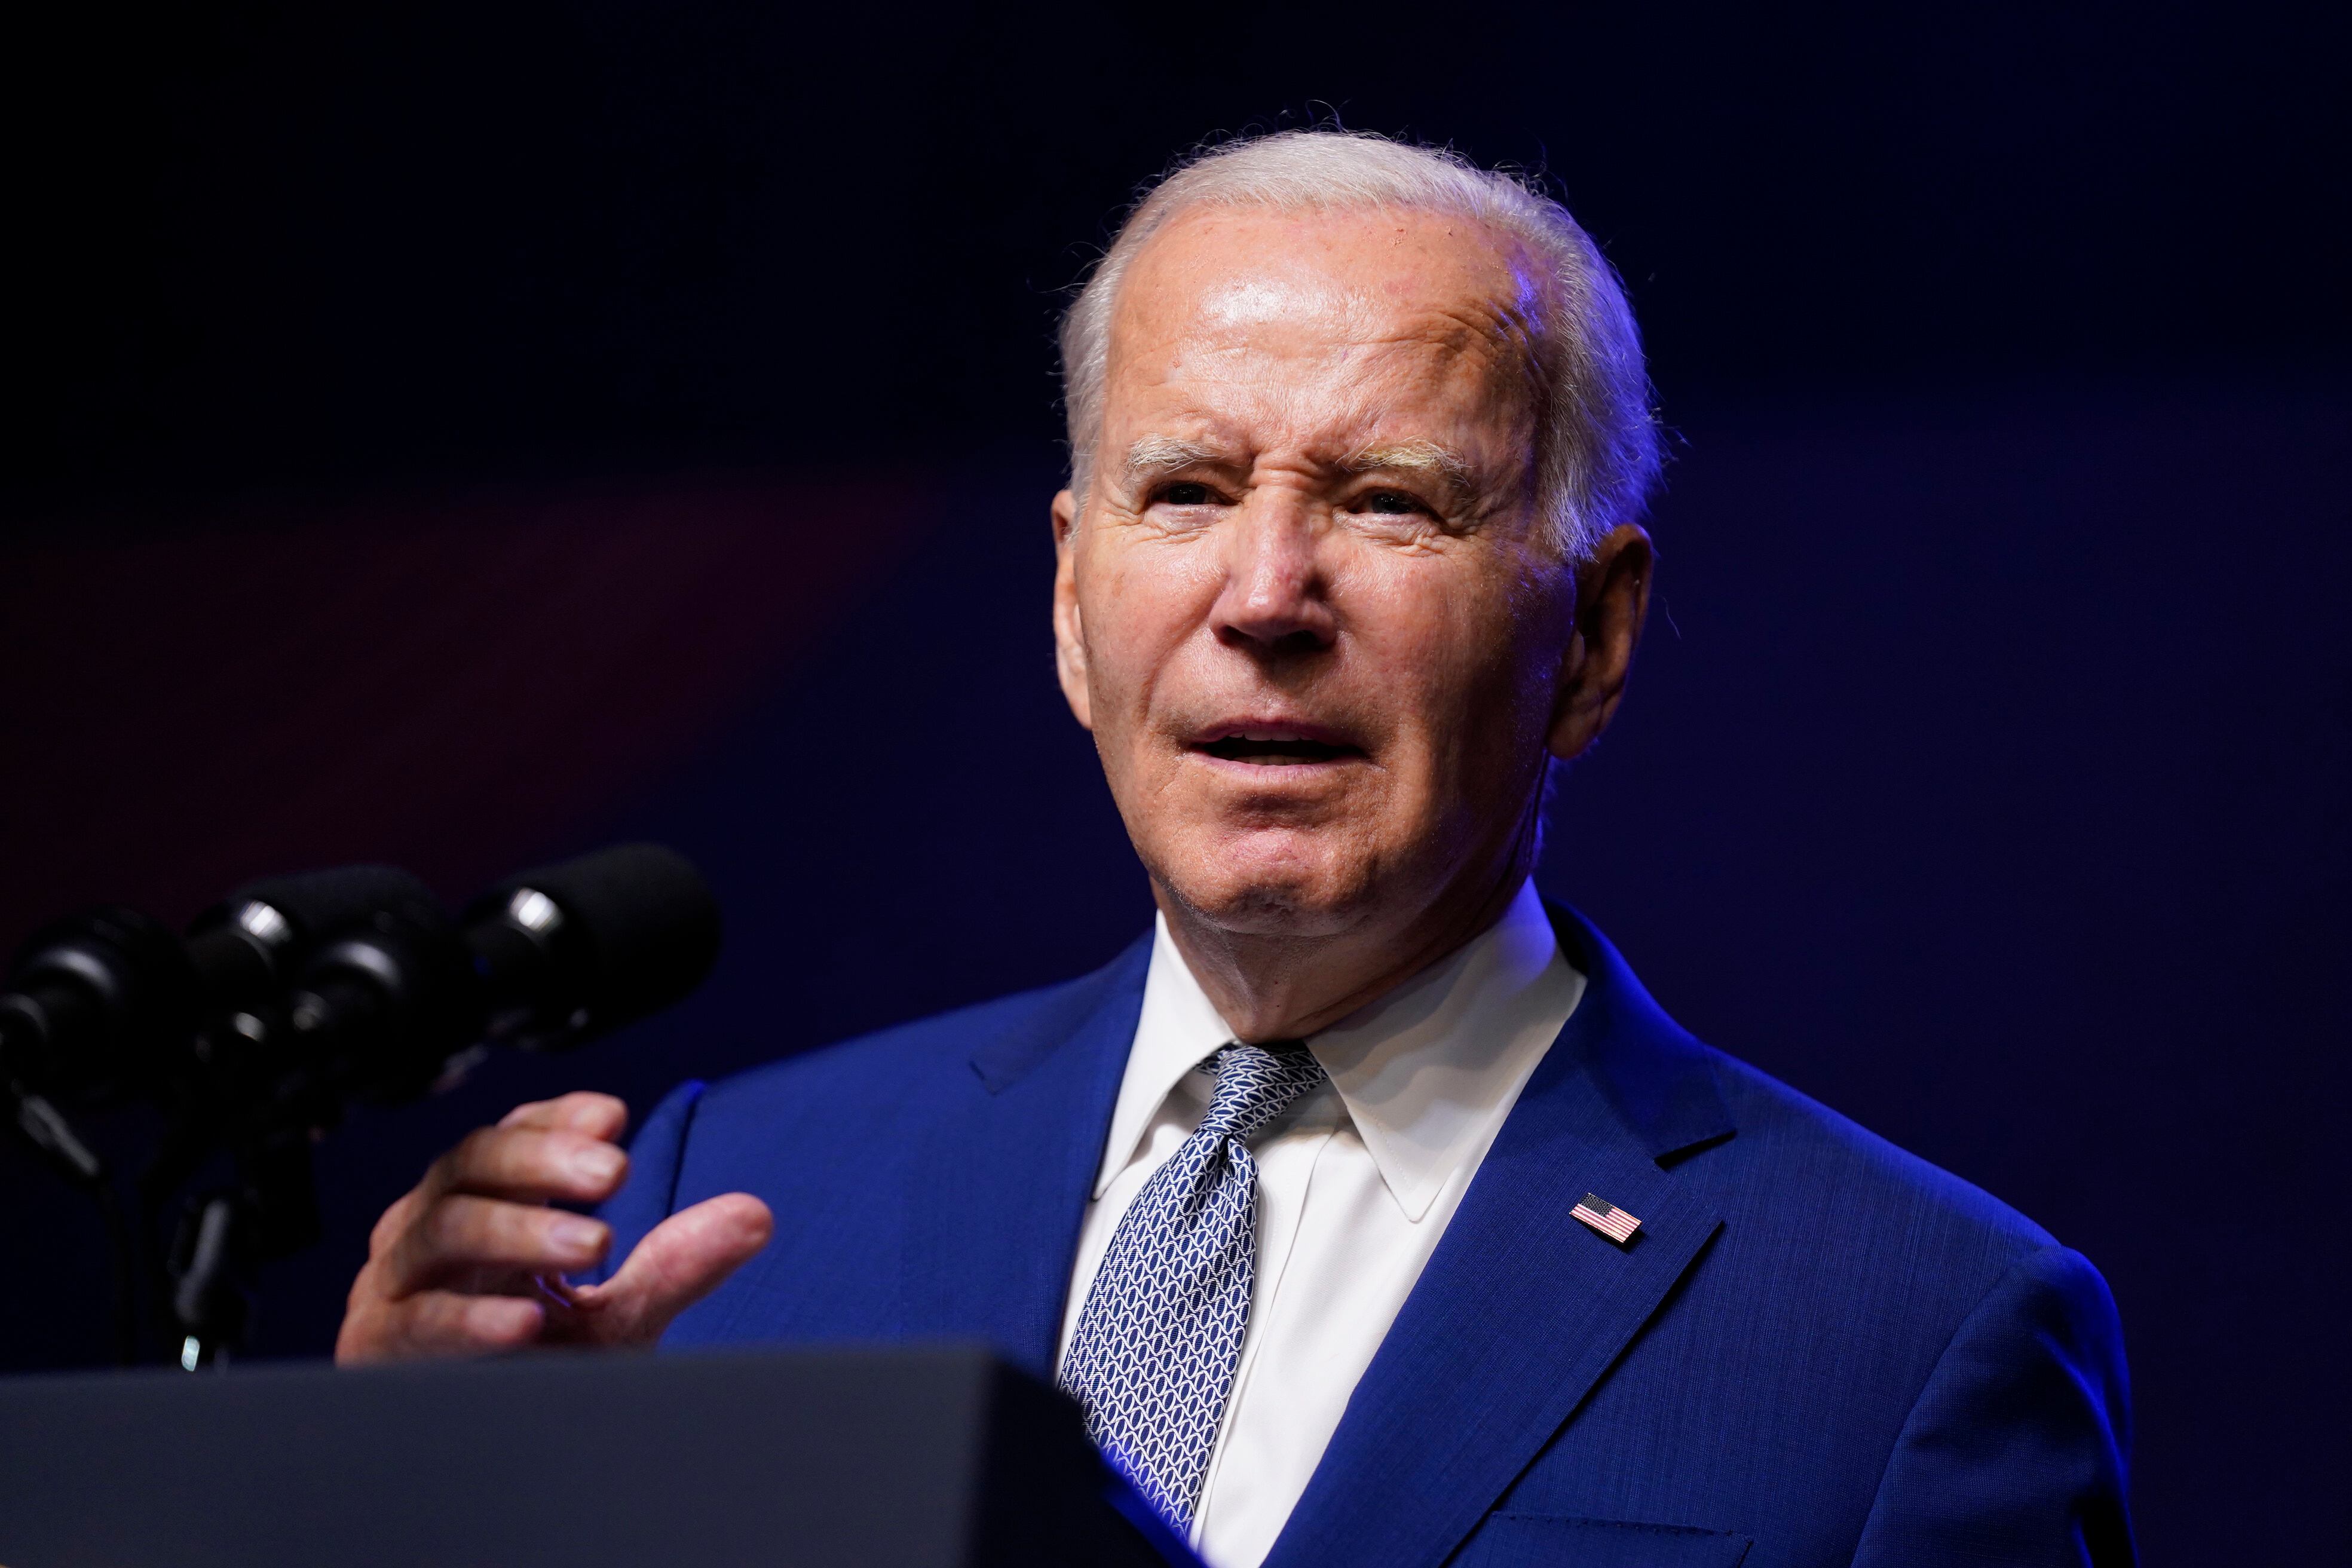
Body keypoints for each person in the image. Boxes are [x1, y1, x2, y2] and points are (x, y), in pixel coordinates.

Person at [336, 131, 2133, 1567]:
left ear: (1589, 640)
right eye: (1185, 492)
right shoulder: (712, 1210)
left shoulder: (1911, 1335)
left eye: (1389, 502)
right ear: (1066, 598)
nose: (1265, 597)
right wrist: (421, 1517)